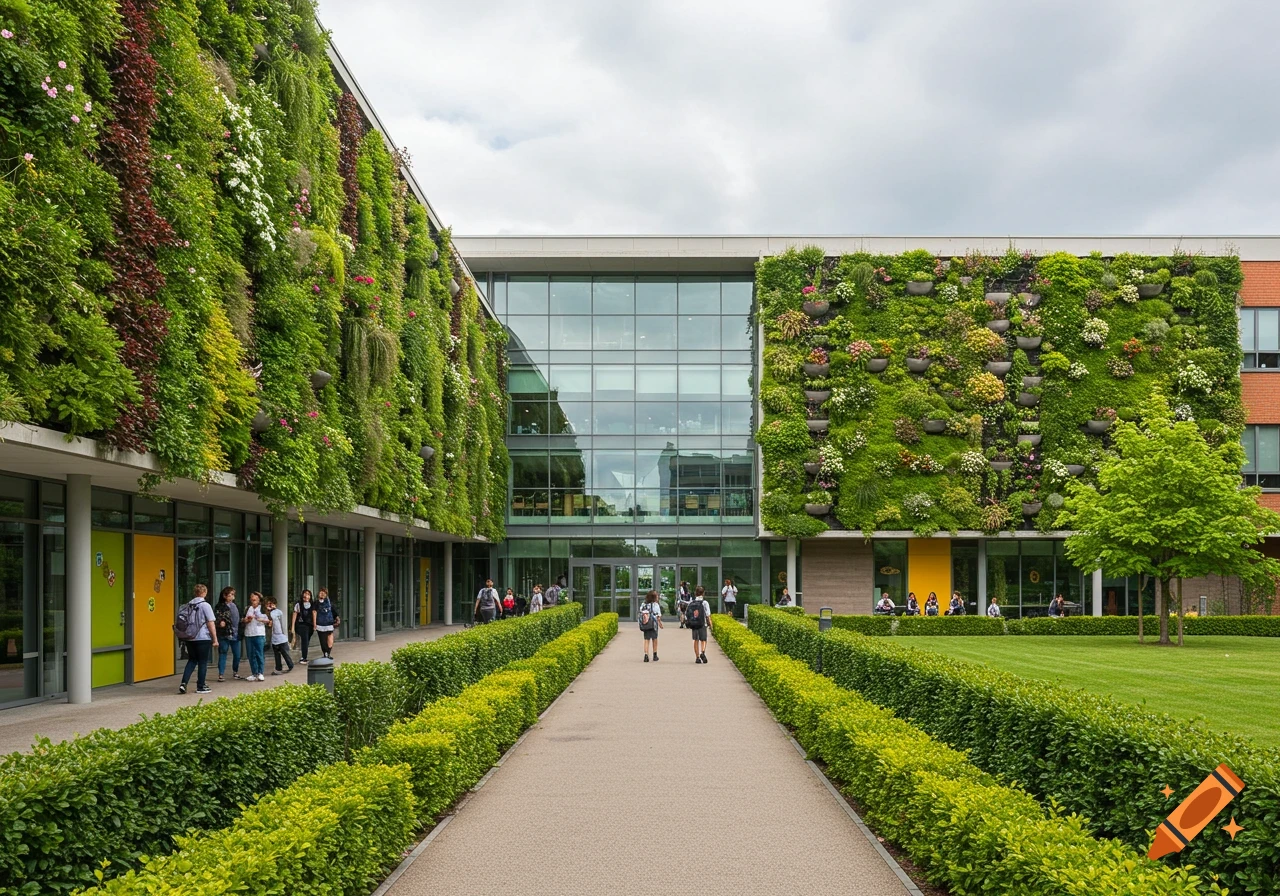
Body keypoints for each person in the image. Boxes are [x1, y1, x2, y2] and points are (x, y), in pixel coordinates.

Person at [178, 584, 218, 695]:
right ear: (205, 592)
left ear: (195, 592)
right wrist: (215, 639)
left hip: (189, 637)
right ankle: (201, 686)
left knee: (192, 660)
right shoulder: (205, 605)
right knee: (202, 662)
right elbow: (210, 623)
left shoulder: (187, 605)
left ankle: (183, 683)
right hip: (202, 637)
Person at [214, 586, 242, 682]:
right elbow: (216, 617)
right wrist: (220, 622)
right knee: (223, 653)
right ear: (225, 596)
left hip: (235, 633)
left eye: (233, 595)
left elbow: (240, 618)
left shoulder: (236, 606)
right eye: (231, 594)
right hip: (224, 633)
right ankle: (221, 674)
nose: (232, 597)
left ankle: (235, 671)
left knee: (237, 654)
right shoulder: (219, 606)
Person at [242, 591, 269, 681]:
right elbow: (242, 619)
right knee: (251, 654)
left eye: (255, 600)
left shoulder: (263, 609)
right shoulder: (248, 608)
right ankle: (254, 673)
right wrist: (246, 620)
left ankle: (260, 672)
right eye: (251, 599)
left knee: (259, 653)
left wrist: (260, 619)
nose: (253, 601)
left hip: (259, 633)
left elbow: (269, 620)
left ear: (258, 600)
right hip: (249, 633)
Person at [266, 597, 294, 675]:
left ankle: (290, 665)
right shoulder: (268, 613)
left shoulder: (278, 612)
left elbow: (279, 621)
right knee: (276, 654)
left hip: (281, 636)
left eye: (271, 604)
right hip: (274, 637)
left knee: (284, 652)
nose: (269, 605)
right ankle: (278, 668)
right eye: (268, 604)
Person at [687, 585, 712, 663]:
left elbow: (687, 614)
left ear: (695, 593)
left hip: (694, 624)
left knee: (695, 640)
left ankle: (697, 657)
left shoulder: (691, 602)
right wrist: (711, 624)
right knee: (703, 639)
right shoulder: (705, 603)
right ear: (703, 593)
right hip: (702, 623)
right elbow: (708, 615)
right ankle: (703, 652)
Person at [639, 589, 664, 662]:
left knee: (646, 639)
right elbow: (658, 616)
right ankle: (655, 655)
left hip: (646, 623)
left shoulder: (644, 604)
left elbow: (641, 612)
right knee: (654, 639)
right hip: (654, 624)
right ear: (654, 597)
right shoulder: (656, 605)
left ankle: (646, 655)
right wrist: (660, 623)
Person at [314, 588, 340, 658]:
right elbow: (314, 612)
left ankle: (328, 652)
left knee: (330, 638)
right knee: (322, 640)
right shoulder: (316, 603)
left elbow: (333, 611)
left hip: (329, 623)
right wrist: (314, 624)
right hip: (320, 624)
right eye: (321, 592)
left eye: (324, 593)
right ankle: (325, 653)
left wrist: (337, 618)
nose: (322, 594)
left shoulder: (329, 602)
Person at [292, 589, 315, 664]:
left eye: (308, 594)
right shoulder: (298, 604)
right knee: (305, 640)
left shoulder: (312, 604)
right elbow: (294, 614)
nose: (306, 596)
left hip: (310, 625)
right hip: (302, 625)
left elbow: (315, 614)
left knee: (307, 641)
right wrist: (292, 627)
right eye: (305, 594)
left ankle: (304, 656)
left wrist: (315, 624)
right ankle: (303, 657)